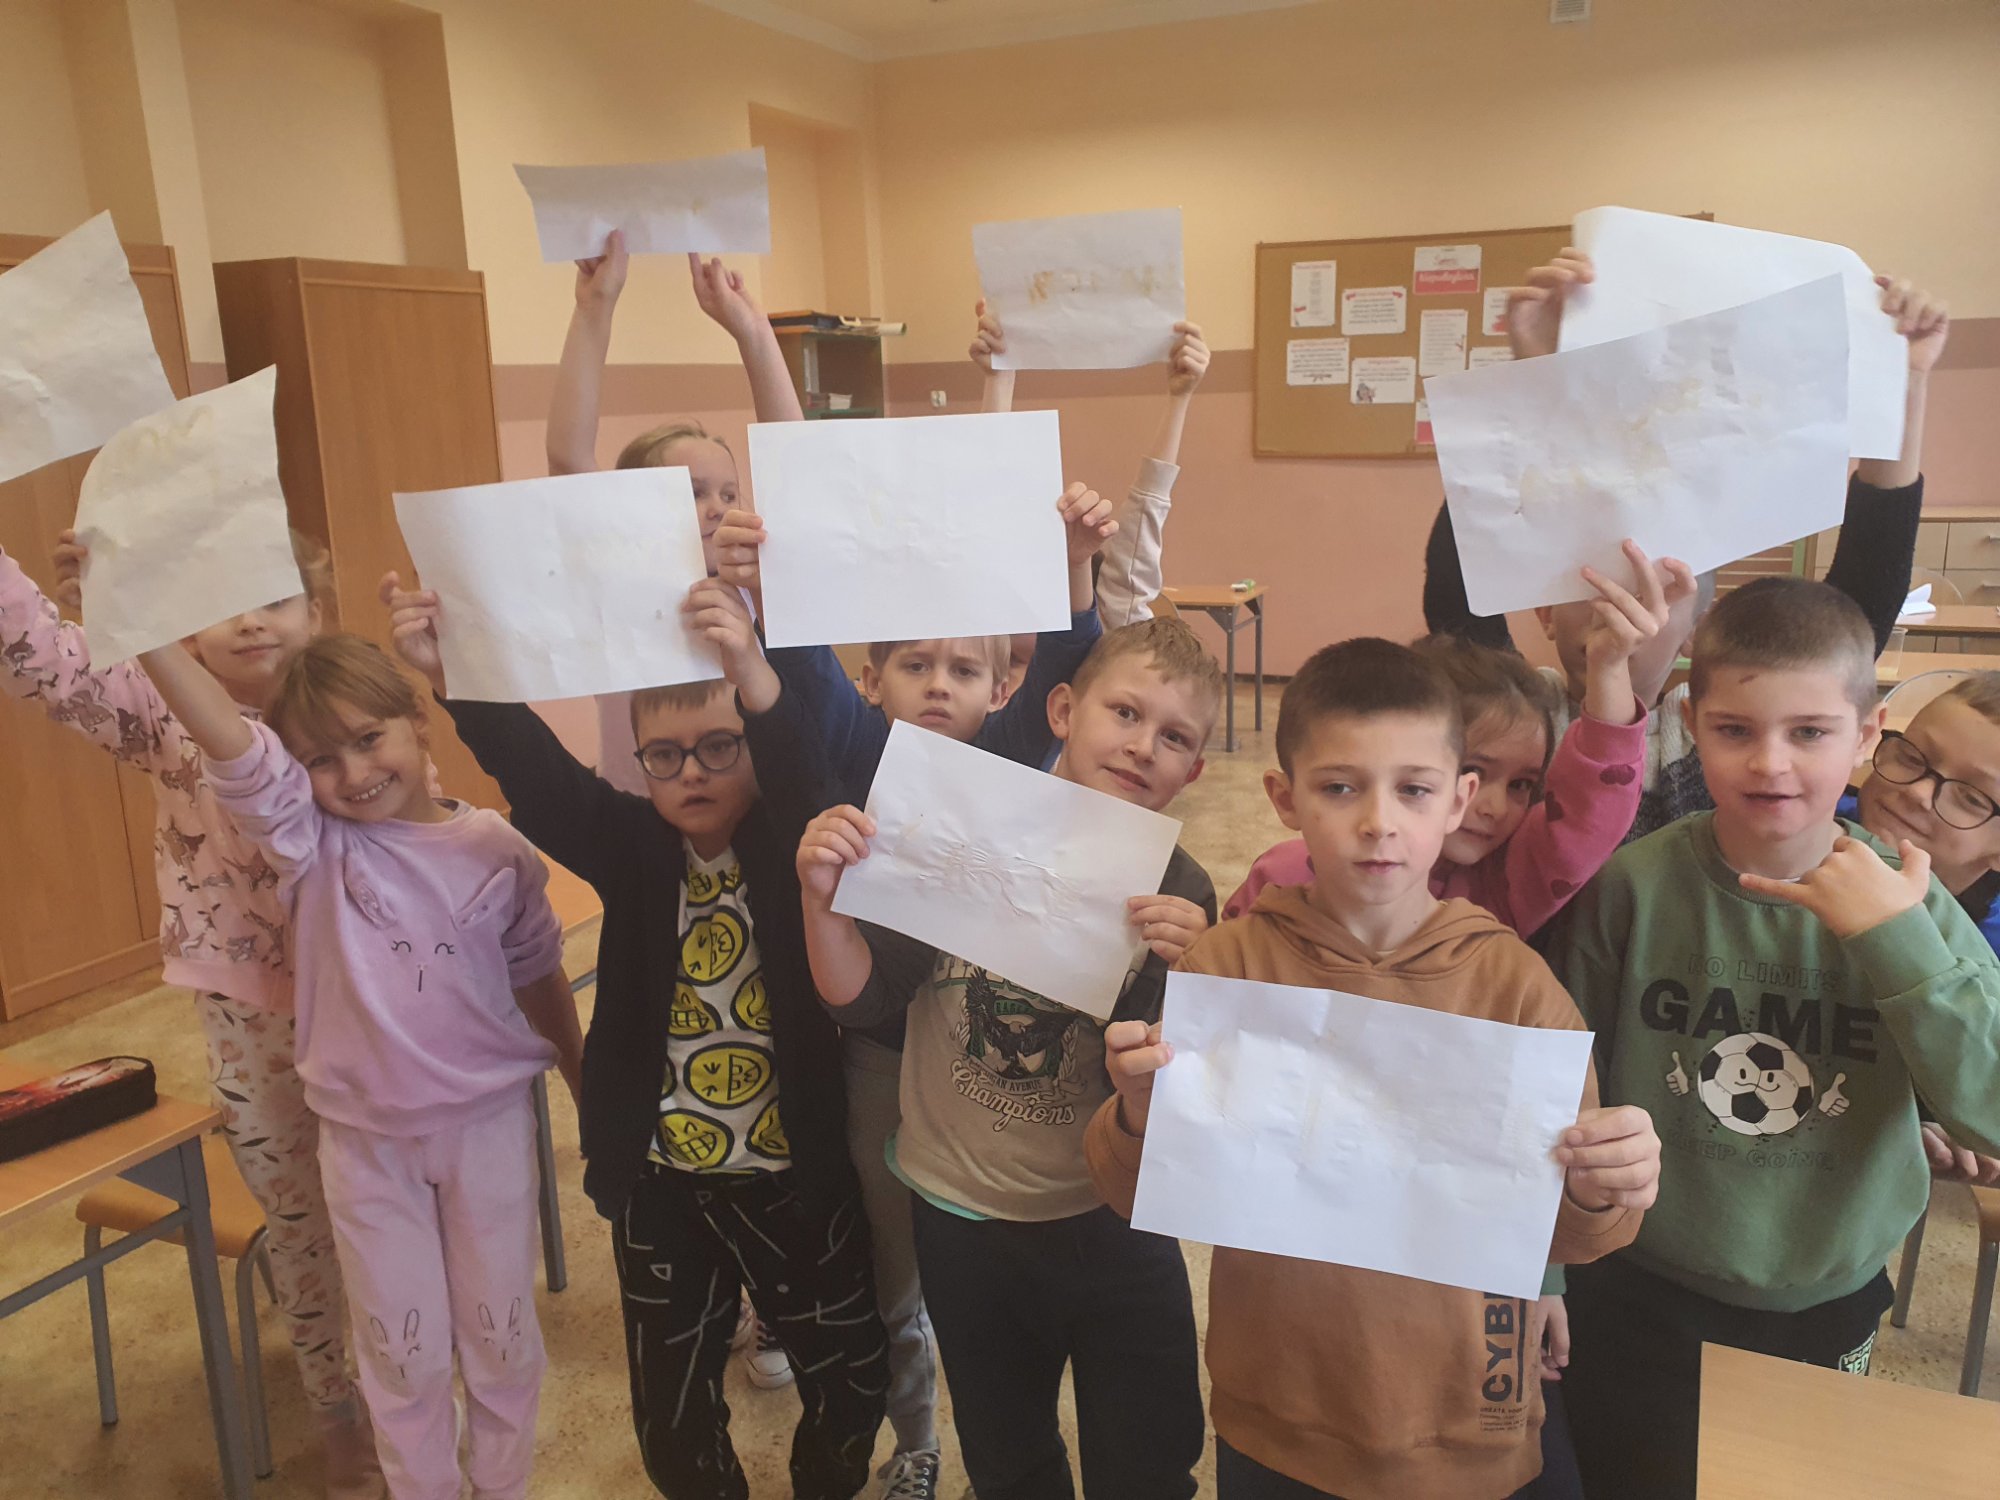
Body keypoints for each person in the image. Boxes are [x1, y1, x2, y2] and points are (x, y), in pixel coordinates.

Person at [1086, 637, 1658, 1499]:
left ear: (1458, 799)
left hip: (1465, 1415)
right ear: (1285, 799)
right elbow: (1135, 1192)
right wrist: (1136, 1112)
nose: (1379, 822)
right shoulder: (1228, 971)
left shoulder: (1517, 991)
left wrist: (1607, 1183)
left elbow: (1571, 1234)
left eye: (1413, 790)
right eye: (1340, 787)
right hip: (1278, 1410)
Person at [383, 574, 888, 1500]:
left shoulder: (795, 838)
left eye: (719, 747)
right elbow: (539, 777)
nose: (691, 772)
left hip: (794, 1177)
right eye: (664, 755)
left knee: (854, 1376)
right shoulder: (632, 846)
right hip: (664, 1183)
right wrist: (451, 674)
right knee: (670, 1413)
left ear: (755, 745)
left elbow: (808, 775)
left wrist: (752, 668)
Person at [1544, 577, 2000, 1498]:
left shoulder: (1917, 911)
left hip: (1826, 1300)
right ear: (1692, 723)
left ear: (1866, 737)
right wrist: (1546, 1276)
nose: (1772, 764)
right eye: (1735, 729)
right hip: (1636, 1289)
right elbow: (1555, 1089)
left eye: (1811, 732)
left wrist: (1895, 941)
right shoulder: (1633, 889)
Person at [137, 631, 582, 1500]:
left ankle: (501, 1487)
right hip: (367, 1148)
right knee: (402, 1354)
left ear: (418, 723)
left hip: (487, 1131)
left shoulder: (496, 848)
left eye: (370, 738)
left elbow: (538, 969)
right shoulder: (310, 845)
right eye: (320, 759)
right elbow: (234, 751)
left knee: (500, 1337)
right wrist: (149, 636)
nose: (353, 772)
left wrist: (580, 1073)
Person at [794, 618, 1224, 1500]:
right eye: (1125, 713)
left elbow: (1172, 1098)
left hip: (1111, 1213)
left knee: (1150, 1461)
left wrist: (1204, 978)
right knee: (1009, 1460)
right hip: (964, 1212)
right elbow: (861, 998)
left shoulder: (1180, 891)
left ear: (1195, 770)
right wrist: (822, 902)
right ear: (1063, 709)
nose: (1143, 746)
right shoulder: (962, 824)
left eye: (1174, 737)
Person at [0, 532, 381, 1497]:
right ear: (188, 635)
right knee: (298, 1224)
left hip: (374, 1007)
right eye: (220, 603)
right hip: (254, 1019)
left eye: (275, 598)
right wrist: (108, 606)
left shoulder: (352, 720)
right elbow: (45, 661)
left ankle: (403, 1391)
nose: (250, 619)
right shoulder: (160, 709)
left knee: (385, 1216)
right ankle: (337, 1411)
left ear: (316, 615)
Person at [1424, 253, 1950, 842]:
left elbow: (1856, 610)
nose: (1619, 606)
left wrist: (1902, 380)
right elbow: (1458, 597)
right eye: (1590, 579)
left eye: (1658, 585)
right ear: (1545, 610)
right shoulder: (1515, 712)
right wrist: (1541, 381)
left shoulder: (1717, 732)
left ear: (1698, 628)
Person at [1225, 543, 1689, 933]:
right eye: (1474, 769)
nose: (1493, 806)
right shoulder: (1280, 878)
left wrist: (1608, 667)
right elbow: (1224, 984)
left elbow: (1591, 812)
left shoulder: (1506, 884)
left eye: (1521, 785)